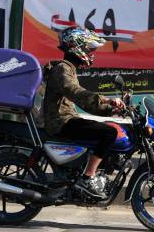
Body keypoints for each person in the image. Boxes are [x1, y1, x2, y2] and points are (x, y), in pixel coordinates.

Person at [42, 26, 125, 199]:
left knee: (106, 129)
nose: (92, 52)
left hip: (66, 119)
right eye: (89, 48)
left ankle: (89, 172)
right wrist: (107, 101)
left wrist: (110, 110)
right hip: (61, 122)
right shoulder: (62, 69)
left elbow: (83, 100)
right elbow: (76, 93)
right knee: (109, 133)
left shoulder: (68, 68)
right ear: (76, 47)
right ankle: (87, 177)